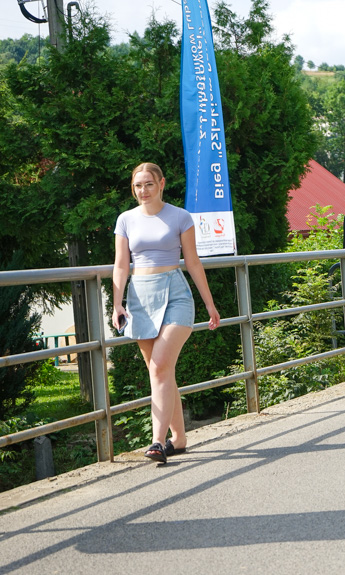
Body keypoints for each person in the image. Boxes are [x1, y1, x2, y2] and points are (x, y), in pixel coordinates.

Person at [112, 163, 220, 464]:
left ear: (162, 184)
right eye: (137, 186)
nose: (142, 191)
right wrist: (117, 303)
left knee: (159, 367)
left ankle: (158, 442)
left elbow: (194, 262)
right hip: (140, 297)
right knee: (160, 371)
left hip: (175, 294)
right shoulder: (125, 220)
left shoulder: (180, 217)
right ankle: (179, 438)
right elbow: (121, 265)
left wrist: (210, 304)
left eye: (148, 184)